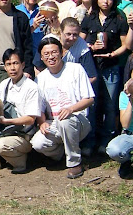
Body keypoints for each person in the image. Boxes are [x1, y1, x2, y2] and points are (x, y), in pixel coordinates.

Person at [31, 37, 95, 179]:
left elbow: (90, 99)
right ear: (41, 57)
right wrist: (42, 122)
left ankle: (74, 163)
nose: (51, 57)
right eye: (46, 54)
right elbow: (39, 107)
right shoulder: (41, 78)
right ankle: (61, 153)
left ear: (61, 53)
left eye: (54, 52)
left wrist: (71, 109)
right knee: (37, 144)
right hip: (53, 121)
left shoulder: (75, 69)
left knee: (65, 121)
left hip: (77, 119)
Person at [80, 0, 129, 154]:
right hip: (91, 67)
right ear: (97, 0)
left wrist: (113, 54)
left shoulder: (119, 18)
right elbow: (80, 41)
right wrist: (91, 47)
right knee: (91, 105)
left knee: (110, 105)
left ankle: (107, 140)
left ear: (113, 0)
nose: (105, 1)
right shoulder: (90, 17)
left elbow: (126, 45)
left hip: (111, 66)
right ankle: (89, 141)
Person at [16, 0, 46, 67]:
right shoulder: (16, 11)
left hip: (39, 58)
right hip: (22, 57)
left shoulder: (42, 12)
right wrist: (33, 26)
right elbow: (16, 36)